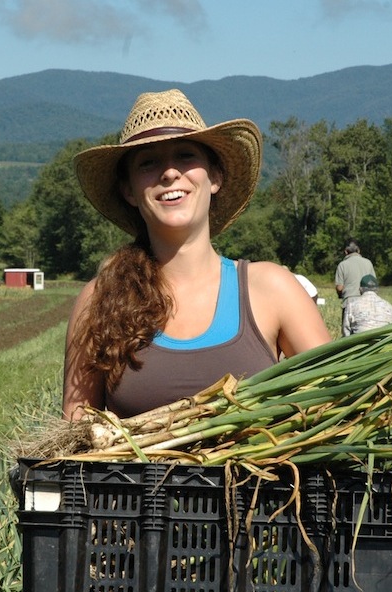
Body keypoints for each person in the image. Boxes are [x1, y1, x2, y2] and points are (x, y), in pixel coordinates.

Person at [62, 89, 331, 421]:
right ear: (129, 190)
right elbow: (76, 430)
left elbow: (338, 400)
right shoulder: (99, 301)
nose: (170, 173)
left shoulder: (272, 289)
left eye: (186, 156)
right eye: (148, 162)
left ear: (215, 177)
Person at [334, 238, 375, 336]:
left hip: (349, 302)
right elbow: (373, 283)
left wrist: (341, 294)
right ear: (359, 250)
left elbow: (339, 287)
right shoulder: (368, 263)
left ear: (345, 252)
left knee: (348, 335)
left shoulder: (342, 265)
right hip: (367, 301)